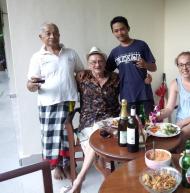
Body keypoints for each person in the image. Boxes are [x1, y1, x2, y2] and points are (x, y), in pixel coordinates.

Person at [27, 22, 84, 180]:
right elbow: (30, 85)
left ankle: (67, 165)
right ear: (41, 37)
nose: (53, 36)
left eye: (56, 33)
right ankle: (55, 166)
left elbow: (81, 73)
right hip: (48, 104)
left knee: (67, 136)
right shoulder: (37, 57)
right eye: (48, 33)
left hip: (69, 101)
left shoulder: (70, 53)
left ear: (59, 34)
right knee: (50, 137)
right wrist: (31, 86)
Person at [62, 46, 120, 193]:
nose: (97, 64)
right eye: (93, 62)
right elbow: (66, 86)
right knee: (95, 138)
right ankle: (109, 182)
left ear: (105, 62)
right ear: (88, 64)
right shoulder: (81, 77)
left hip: (110, 121)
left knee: (97, 132)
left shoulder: (115, 78)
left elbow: (128, 92)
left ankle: (79, 180)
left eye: (100, 61)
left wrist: (146, 79)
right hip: (88, 121)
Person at [106, 16, 157, 115]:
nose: (120, 33)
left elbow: (154, 67)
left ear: (128, 28)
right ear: (113, 33)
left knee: (148, 126)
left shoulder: (141, 45)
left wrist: (146, 65)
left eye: (122, 29)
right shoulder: (115, 52)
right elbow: (106, 72)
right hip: (127, 97)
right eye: (116, 31)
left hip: (144, 95)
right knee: (130, 128)